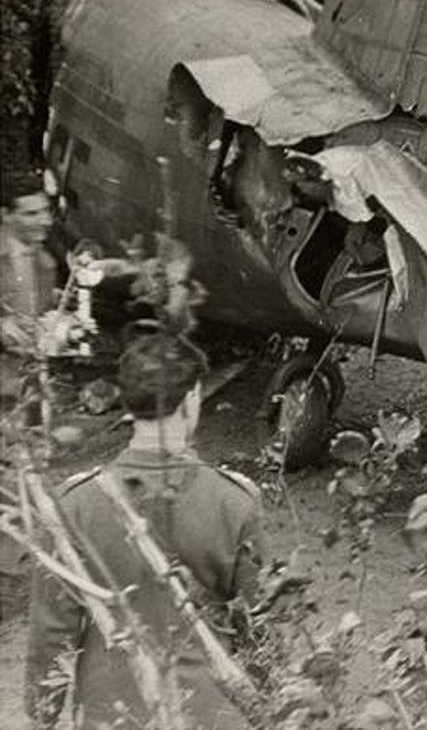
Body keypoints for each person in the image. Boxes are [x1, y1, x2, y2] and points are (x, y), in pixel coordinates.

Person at [25, 333, 266, 729]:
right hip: (210, 714)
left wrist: (43, 717)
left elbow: (52, 636)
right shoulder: (234, 501)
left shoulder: (73, 505)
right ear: (191, 401)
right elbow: (262, 628)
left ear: (128, 404)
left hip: (112, 716)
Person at [1, 174, 58, 404]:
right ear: (5, 215)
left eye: (46, 211)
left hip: (19, 387)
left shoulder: (47, 264)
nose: (45, 221)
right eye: (31, 214)